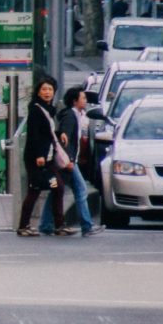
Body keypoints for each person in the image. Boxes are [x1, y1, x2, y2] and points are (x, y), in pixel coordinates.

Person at [44, 88, 101, 237]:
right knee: (81, 190)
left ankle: (46, 224)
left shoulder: (76, 115)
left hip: (69, 160)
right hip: (68, 162)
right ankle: (87, 226)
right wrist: (68, 159)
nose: (85, 101)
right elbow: (65, 139)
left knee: (56, 192)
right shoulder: (70, 116)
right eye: (83, 98)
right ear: (75, 101)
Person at [17, 77, 63, 236]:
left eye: (50, 89)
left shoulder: (49, 109)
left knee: (58, 188)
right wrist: (39, 155)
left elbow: (48, 132)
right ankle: (23, 226)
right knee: (34, 190)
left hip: (47, 157)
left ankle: (59, 225)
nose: (47, 92)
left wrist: (60, 134)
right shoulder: (36, 109)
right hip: (37, 158)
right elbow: (34, 135)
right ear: (38, 92)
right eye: (44, 89)